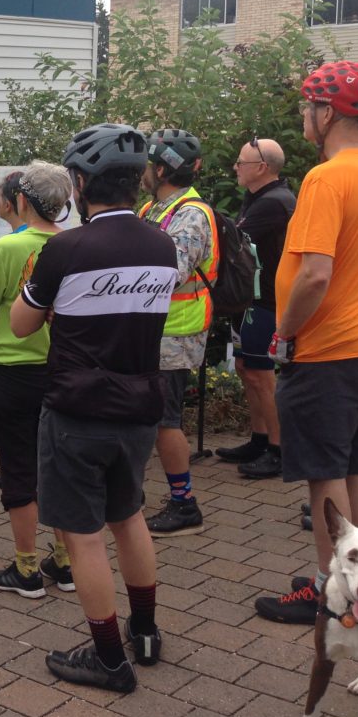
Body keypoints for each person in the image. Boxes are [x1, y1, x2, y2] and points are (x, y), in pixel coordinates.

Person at [10, 123, 177, 693]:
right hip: (140, 406)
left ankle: (108, 659)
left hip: (78, 411)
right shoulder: (162, 244)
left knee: (81, 536)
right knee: (128, 517)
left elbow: (21, 323)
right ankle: (146, 633)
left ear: (79, 184)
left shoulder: (66, 249)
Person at [253, 62, 358, 625]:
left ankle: (328, 590)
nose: (303, 117)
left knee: (324, 474)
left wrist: (284, 332)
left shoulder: (326, 178)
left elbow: (314, 274)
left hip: (327, 348)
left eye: (307, 107)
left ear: (327, 113)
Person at [0, 163, 75, 598]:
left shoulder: (6, 248)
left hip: (12, 367)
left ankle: (27, 568)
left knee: (18, 469)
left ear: (20, 201)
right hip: (61, 367)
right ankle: (66, 563)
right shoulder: (74, 243)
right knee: (59, 468)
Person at [138, 130, 217, 538]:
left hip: (175, 332)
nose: (142, 173)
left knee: (165, 422)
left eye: (147, 165)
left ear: (162, 169)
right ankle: (132, 493)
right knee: (145, 415)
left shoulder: (191, 215)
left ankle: (185, 504)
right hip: (152, 329)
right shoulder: (154, 208)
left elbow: (172, 273)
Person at [215, 138, 295, 479]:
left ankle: (279, 450)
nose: (235, 167)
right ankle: (260, 439)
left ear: (261, 168)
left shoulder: (274, 203)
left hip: (267, 302)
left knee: (262, 375)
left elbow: (232, 241)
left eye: (241, 162)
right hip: (251, 299)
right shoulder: (258, 198)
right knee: (246, 368)